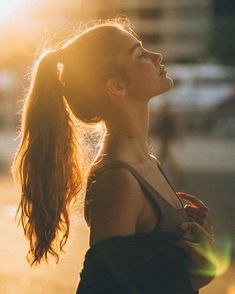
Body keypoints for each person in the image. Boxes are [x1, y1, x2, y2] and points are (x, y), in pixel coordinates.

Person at [11, 18, 216, 293]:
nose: (157, 56)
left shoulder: (146, 163)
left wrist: (199, 241)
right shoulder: (118, 180)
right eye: (140, 55)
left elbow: (143, 274)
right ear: (116, 86)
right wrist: (196, 278)